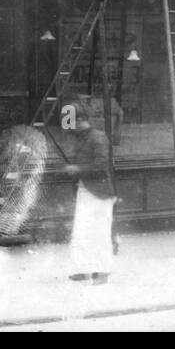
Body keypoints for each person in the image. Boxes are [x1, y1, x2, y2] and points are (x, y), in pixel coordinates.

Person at [62, 97, 115, 283]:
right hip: (85, 191)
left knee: (99, 232)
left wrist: (77, 169)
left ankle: (102, 272)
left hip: (99, 193)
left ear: (79, 119)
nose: (71, 128)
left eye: (71, 123)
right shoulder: (81, 138)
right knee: (81, 232)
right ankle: (84, 269)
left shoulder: (98, 137)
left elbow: (101, 165)